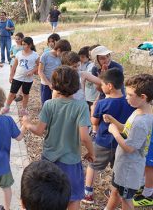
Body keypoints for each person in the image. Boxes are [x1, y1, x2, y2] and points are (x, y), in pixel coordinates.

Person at [22, 66, 95, 210]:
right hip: (71, 161)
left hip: (49, 160)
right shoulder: (81, 107)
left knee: (48, 199)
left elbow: (38, 131)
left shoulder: (49, 104)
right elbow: (84, 136)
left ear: (54, 84)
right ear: (77, 84)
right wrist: (92, 152)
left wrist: (27, 123)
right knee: (73, 198)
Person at [82, 68, 135, 204]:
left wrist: (93, 110)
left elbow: (94, 122)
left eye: (102, 84)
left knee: (93, 165)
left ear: (109, 86)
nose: (101, 86)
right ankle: (114, 192)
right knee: (117, 168)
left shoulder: (102, 103)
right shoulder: (130, 103)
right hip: (122, 142)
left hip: (103, 142)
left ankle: (88, 193)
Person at [105, 74, 153, 210]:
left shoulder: (141, 122)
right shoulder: (139, 112)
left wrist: (114, 132)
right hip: (123, 164)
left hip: (129, 169)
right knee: (115, 191)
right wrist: (113, 121)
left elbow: (130, 148)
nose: (126, 97)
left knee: (126, 200)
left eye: (130, 94)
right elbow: (126, 129)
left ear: (143, 97)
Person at [2, 37, 39, 116]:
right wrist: (11, 75)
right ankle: (7, 107)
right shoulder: (19, 54)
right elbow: (14, 66)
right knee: (12, 93)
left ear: (30, 45)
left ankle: (24, 109)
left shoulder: (35, 55)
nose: (23, 46)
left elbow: (38, 65)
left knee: (25, 94)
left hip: (28, 79)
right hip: (17, 77)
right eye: (22, 44)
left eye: (24, 44)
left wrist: (32, 71)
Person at [38, 39, 71, 106]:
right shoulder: (45, 56)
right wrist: (49, 84)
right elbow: (40, 71)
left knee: (56, 105)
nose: (64, 56)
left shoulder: (62, 58)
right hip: (46, 84)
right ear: (58, 50)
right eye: (63, 54)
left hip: (58, 85)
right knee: (46, 103)